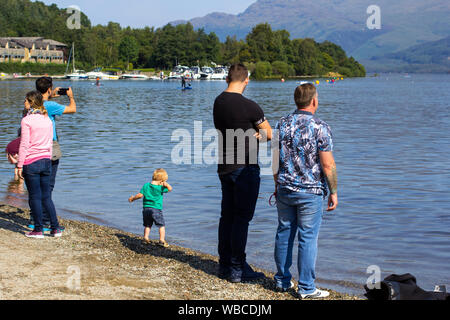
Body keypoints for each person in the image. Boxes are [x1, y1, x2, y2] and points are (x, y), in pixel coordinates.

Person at [273, 83, 338, 299]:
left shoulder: (281, 124)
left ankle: (282, 281)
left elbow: (274, 160)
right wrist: (334, 191)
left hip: (284, 188)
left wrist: (277, 184)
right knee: (307, 238)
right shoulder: (320, 126)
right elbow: (327, 165)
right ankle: (307, 288)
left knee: (284, 233)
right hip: (310, 192)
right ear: (314, 101)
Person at [213, 63, 273, 283]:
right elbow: (269, 133)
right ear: (246, 80)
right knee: (241, 219)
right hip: (245, 168)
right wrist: (259, 135)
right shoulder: (250, 106)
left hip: (224, 167)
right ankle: (238, 270)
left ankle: (224, 264)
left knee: (226, 217)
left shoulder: (218, 101)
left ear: (228, 79)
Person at [32, 77, 77, 229]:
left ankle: (35, 219)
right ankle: (45, 220)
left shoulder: (32, 103)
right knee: (48, 186)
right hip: (50, 146)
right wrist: (70, 97)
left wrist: (51, 94)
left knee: (36, 185)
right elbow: (72, 109)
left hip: (35, 146)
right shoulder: (50, 105)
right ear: (49, 89)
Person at [17, 91, 63, 238]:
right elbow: (49, 143)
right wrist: (47, 158)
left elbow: (24, 144)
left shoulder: (27, 120)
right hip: (46, 160)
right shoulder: (47, 120)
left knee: (35, 197)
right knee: (46, 197)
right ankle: (55, 228)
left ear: (31, 103)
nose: (24, 103)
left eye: (25, 100)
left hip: (31, 161)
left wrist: (19, 165)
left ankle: (38, 229)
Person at [128, 168, 173, 247]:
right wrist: (167, 185)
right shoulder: (160, 187)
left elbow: (140, 195)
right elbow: (170, 189)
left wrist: (132, 199)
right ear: (162, 181)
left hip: (146, 209)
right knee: (161, 225)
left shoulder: (146, 185)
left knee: (147, 225)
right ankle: (161, 240)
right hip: (156, 209)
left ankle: (145, 238)